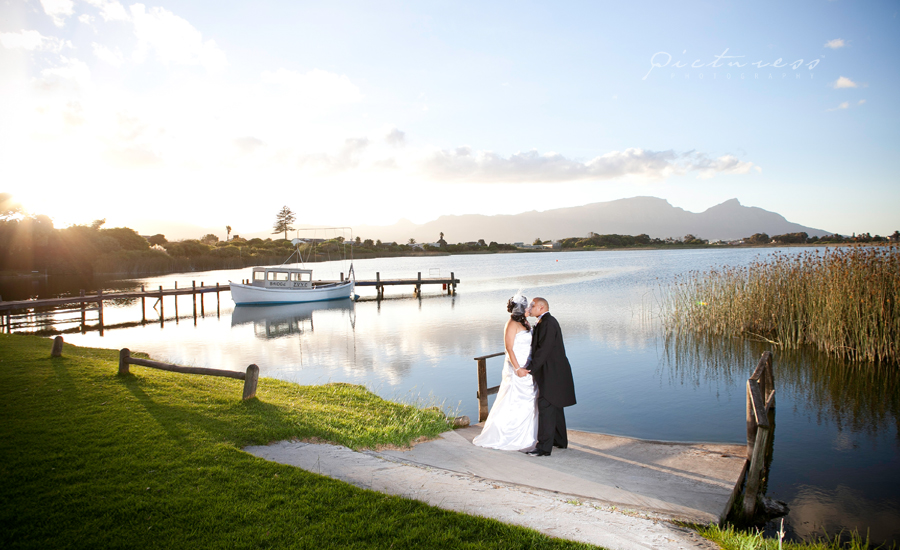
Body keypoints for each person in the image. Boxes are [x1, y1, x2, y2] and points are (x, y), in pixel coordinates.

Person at [472, 293, 538, 451]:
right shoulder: (511, 324)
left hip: (528, 366)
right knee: (513, 400)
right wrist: (517, 368)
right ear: (520, 309)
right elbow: (509, 349)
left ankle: (528, 435)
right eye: (526, 306)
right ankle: (507, 435)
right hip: (517, 367)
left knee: (529, 401)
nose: (528, 308)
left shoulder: (525, 322)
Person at [519, 297, 576, 457]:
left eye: (532, 305)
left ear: (542, 307)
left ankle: (543, 448)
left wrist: (529, 369)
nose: (530, 307)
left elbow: (543, 350)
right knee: (555, 405)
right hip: (555, 371)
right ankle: (560, 441)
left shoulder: (548, 323)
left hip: (552, 373)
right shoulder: (544, 322)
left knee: (546, 406)